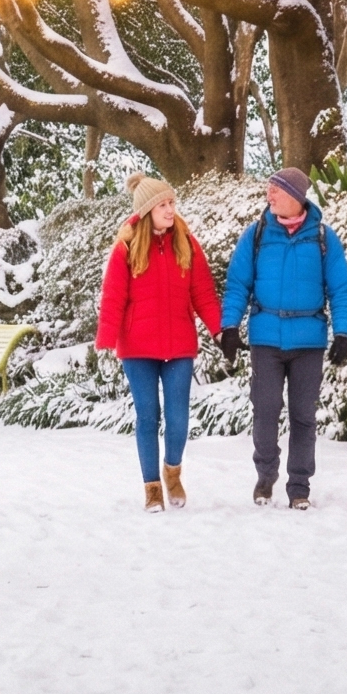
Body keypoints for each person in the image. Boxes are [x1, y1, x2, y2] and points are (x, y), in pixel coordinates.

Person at [218, 166, 347, 509]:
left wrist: (343, 333)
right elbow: (238, 285)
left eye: (275, 190)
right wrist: (230, 327)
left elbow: (340, 289)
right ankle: (265, 475)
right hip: (266, 338)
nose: (269, 196)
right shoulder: (257, 234)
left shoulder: (324, 237)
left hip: (309, 342)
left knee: (303, 416)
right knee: (265, 409)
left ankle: (299, 487)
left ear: (295, 197)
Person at [95, 174, 223, 512]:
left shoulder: (187, 242)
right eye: (163, 205)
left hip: (179, 344)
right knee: (148, 417)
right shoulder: (126, 247)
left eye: (172, 203)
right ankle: (152, 487)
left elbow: (203, 293)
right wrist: (106, 338)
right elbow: (113, 297)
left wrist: (220, 330)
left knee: (179, 417)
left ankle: (173, 472)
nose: (170, 210)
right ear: (148, 209)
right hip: (137, 348)